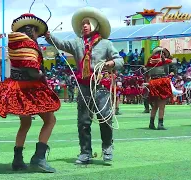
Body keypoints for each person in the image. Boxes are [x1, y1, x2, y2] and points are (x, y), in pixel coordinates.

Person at [0, 13, 60, 173]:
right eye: (36, 32)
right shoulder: (29, 44)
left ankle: (17, 159)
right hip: (31, 88)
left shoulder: (13, 43)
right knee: (50, 120)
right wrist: (42, 74)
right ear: (33, 31)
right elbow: (32, 69)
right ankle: (39, 158)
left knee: (25, 123)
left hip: (15, 87)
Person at [45, 7, 124, 164]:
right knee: (83, 121)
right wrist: (49, 36)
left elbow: (120, 60)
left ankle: (107, 147)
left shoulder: (106, 44)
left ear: (94, 25)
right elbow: (60, 43)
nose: (84, 26)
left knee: (104, 117)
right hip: (83, 86)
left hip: (101, 85)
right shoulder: (76, 43)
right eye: (83, 24)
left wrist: (110, 63)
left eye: (87, 23)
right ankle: (85, 152)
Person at [145, 47, 174, 130]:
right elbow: (173, 61)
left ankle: (151, 123)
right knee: (162, 105)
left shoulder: (150, 60)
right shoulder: (165, 60)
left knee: (155, 105)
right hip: (162, 82)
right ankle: (160, 124)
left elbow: (147, 72)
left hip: (153, 82)